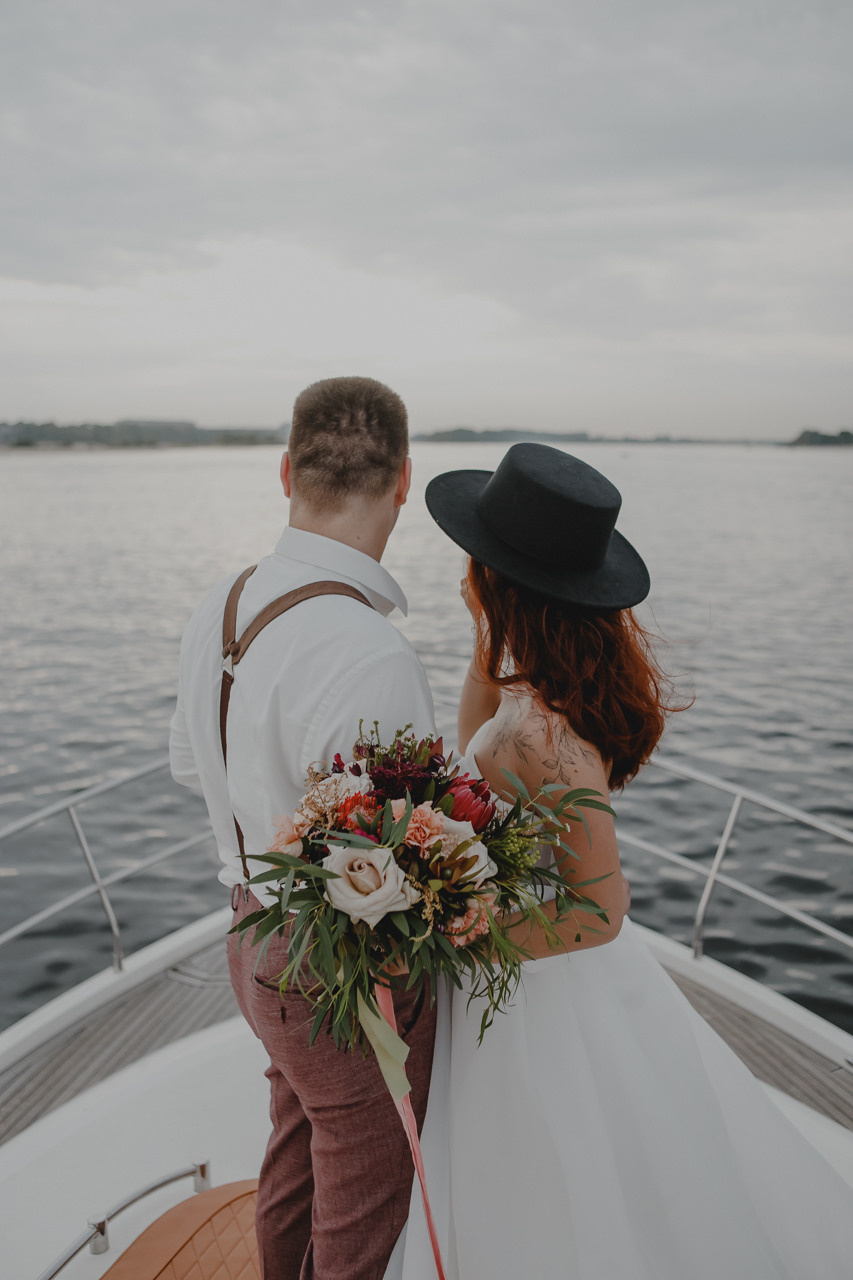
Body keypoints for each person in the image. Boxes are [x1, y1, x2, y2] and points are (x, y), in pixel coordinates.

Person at [386, 442, 853, 1280]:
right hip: (522, 965)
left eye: (477, 559)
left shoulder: (545, 737)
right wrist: (488, 625)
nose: (466, 566)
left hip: (538, 979)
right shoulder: (526, 682)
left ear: (501, 576)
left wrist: (463, 936)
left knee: (559, 1183)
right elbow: (469, 749)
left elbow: (600, 908)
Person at [169, 376, 438, 1280]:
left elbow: (183, 764)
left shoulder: (225, 600)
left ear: (286, 470)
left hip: (249, 937)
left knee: (295, 1147)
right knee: (362, 1215)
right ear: (404, 482)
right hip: (335, 970)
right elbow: (391, 864)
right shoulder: (372, 651)